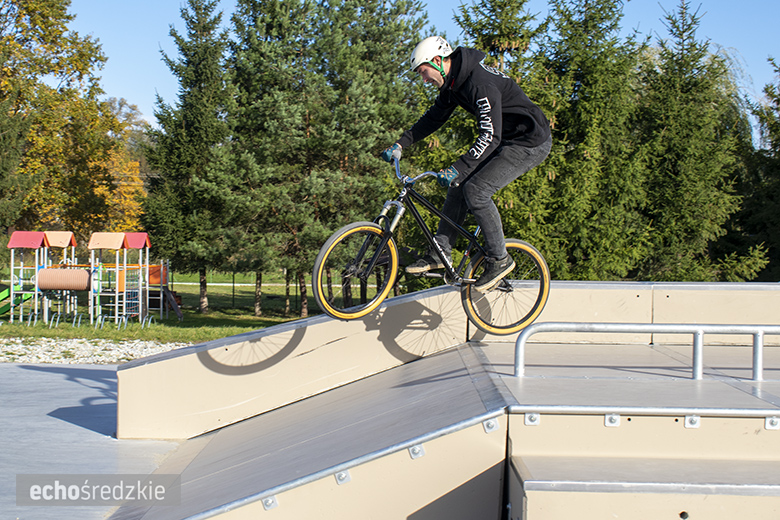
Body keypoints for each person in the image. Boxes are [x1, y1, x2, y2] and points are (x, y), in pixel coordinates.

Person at [382, 36, 552, 291]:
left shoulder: (479, 84)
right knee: (459, 184)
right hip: (506, 140)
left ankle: (500, 259)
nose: (424, 79)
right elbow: (433, 118)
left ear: (437, 62)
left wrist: (458, 167)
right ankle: (441, 252)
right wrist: (400, 144)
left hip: (529, 142)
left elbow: (489, 136)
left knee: (477, 191)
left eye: (423, 72)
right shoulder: (452, 84)